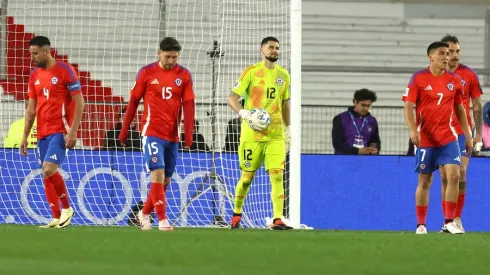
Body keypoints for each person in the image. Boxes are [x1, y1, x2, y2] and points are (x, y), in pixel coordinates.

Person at [119, 37, 195, 231]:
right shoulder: (146, 72)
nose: (171, 61)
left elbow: (188, 104)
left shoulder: (184, 75)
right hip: (152, 131)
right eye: (168, 56)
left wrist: (188, 133)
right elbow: (133, 102)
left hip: (172, 135)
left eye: (175, 57)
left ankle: (144, 213)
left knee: (166, 180)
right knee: (158, 174)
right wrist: (124, 130)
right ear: (159, 53)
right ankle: (162, 221)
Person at [402, 41, 473, 235]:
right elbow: (408, 106)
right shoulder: (418, 78)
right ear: (431, 56)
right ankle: (421, 224)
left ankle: (448, 222)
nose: (446, 57)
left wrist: (467, 134)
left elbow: (459, 109)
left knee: (454, 175)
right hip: (425, 137)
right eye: (442, 53)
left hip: (448, 136)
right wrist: (412, 129)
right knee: (425, 180)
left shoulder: (454, 80)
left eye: (447, 54)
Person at [228, 36, 292, 230]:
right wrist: (244, 112)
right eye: (271, 47)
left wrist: (288, 129)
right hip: (252, 136)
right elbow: (232, 97)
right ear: (261, 50)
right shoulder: (252, 72)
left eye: (277, 48)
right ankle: (236, 214)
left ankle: (277, 219)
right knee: (247, 179)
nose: (275, 51)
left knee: (277, 175)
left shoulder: (284, 75)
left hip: (275, 135)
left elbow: (285, 103)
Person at [20, 36, 85, 228]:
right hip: (42, 131)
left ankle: (67, 208)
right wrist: (25, 136)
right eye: (30, 54)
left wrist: (73, 131)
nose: (32, 58)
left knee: (49, 168)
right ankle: (56, 218)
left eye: (35, 54)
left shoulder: (65, 70)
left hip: (60, 129)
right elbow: (31, 110)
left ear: (46, 51)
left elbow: (80, 101)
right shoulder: (34, 75)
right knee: (45, 173)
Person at [437, 34, 483, 233]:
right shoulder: (434, 75)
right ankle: (447, 221)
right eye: (451, 51)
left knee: (460, 173)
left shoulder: (469, 75)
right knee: (445, 178)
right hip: (440, 132)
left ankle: (457, 219)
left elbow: (477, 105)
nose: (455, 55)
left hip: (462, 131)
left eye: (458, 51)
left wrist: (478, 134)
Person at [332, 89, 380, 155]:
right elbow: (337, 144)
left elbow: (375, 141)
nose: (366, 108)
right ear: (355, 102)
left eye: (368, 106)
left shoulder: (372, 121)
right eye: (363, 105)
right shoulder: (340, 118)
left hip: (364, 160)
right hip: (343, 159)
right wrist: (357, 151)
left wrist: (373, 149)